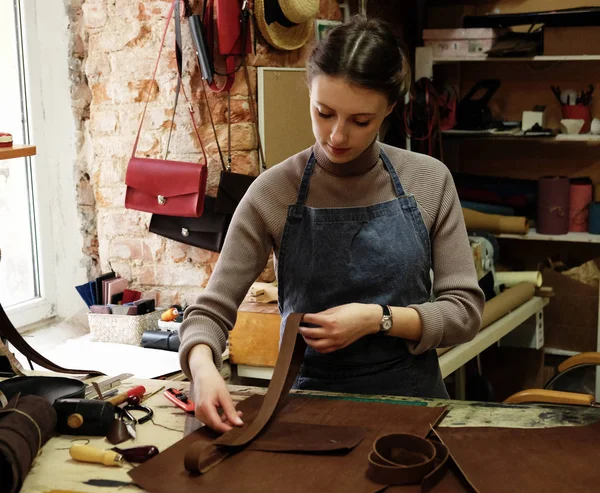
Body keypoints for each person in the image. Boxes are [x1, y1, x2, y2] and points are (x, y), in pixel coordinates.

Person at [178, 15, 485, 433]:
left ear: (390, 109)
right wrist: (202, 367)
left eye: (361, 121)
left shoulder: (429, 180)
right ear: (309, 91)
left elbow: (464, 312)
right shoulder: (273, 192)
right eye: (324, 113)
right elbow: (210, 311)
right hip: (309, 412)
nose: (337, 136)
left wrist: (378, 319)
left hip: (414, 408)